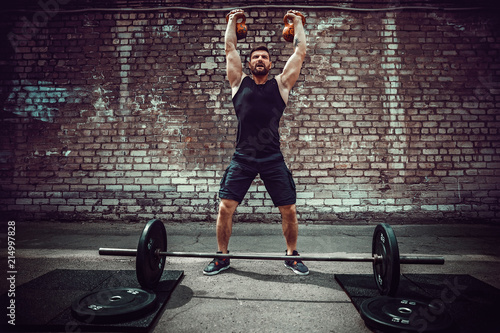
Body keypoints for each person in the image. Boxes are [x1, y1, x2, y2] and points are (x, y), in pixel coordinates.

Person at [203, 9, 308, 276]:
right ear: (249, 64)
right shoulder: (239, 83)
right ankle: (221, 256)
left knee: (289, 209)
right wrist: (231, 22)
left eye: (264, 57)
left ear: (270, 63)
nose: (259, 59)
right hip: (243, 158)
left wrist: (296, 24)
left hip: (272, 157)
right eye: (255, 57)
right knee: (225, 207)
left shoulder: (281, 85)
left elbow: (299, 54)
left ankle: (291, 255)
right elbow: (229, 49)